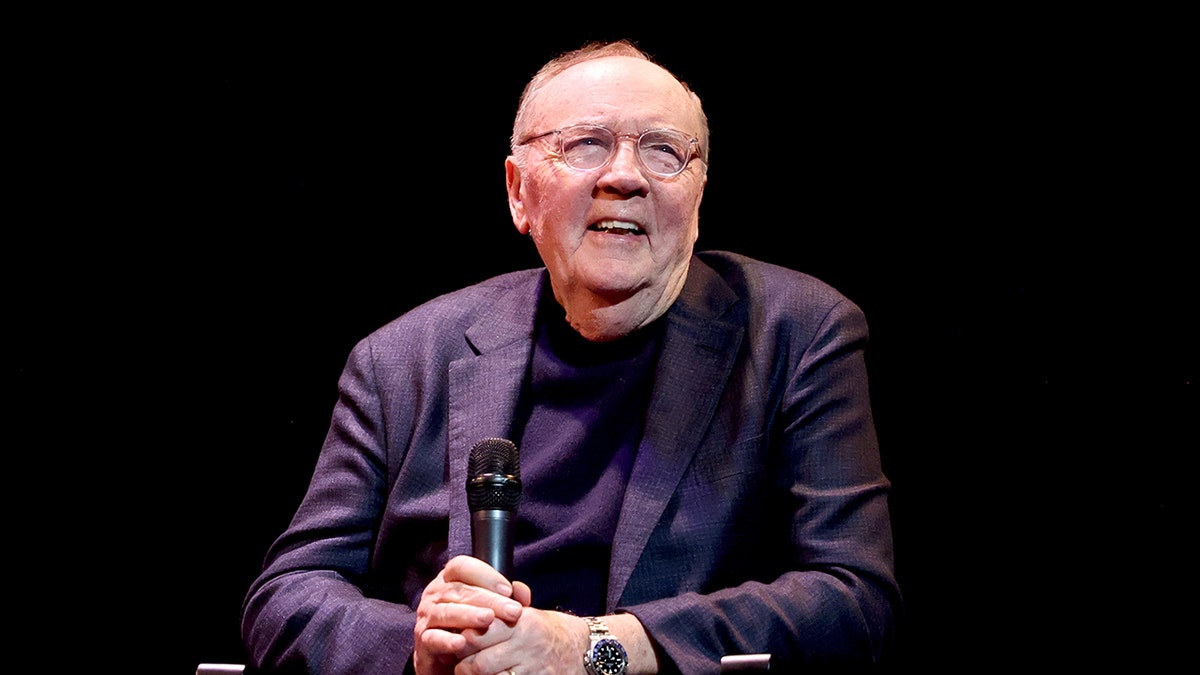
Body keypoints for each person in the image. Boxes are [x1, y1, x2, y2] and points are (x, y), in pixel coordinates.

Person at [241, 39, 901, 674]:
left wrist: (593, 649)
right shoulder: (402, 359)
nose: (625, 176)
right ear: (518, 193)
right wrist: (429, 645)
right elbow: (288, 596)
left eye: (664, 151)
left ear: (698, 194)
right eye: (587, 144)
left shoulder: (797, 334)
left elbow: (852, 599)